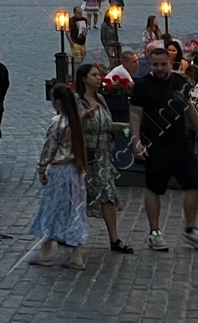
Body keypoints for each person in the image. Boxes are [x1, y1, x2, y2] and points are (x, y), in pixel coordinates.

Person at [129, 47, 198, 251]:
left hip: (181, 142)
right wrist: (136, 141)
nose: (159, 68)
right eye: (155, 64)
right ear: (150, 64)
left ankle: (191, 229)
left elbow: (190, 108)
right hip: (155, 144)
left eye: (163, 64)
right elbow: (135, 115)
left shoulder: (179, 82)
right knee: (154, 187)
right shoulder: (142, 86)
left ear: (170, 63)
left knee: (194, 183)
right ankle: (154, 232)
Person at [24, 84, 90, 269]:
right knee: (75, 210)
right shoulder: (76, 122)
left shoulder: (58, 122)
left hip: (60, 171)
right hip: (75, 171)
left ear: (57, 101)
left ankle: (46, 252)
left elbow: (49, 147)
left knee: (52, 207)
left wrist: (42, 168)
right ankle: (77, 254)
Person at [75, 63, 133, 253]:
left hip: (103, 155)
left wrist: (124, 125)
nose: (98, 78)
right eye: (94, 75)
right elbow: (70, 126)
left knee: (108, 193)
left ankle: (114, 238)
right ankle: (73, 237)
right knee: (80, 197)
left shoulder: (100, 99)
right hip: (85, 155)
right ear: (84, 79)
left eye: (99, 75)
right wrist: (84, 118)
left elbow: (106, 124)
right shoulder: (77, 101)